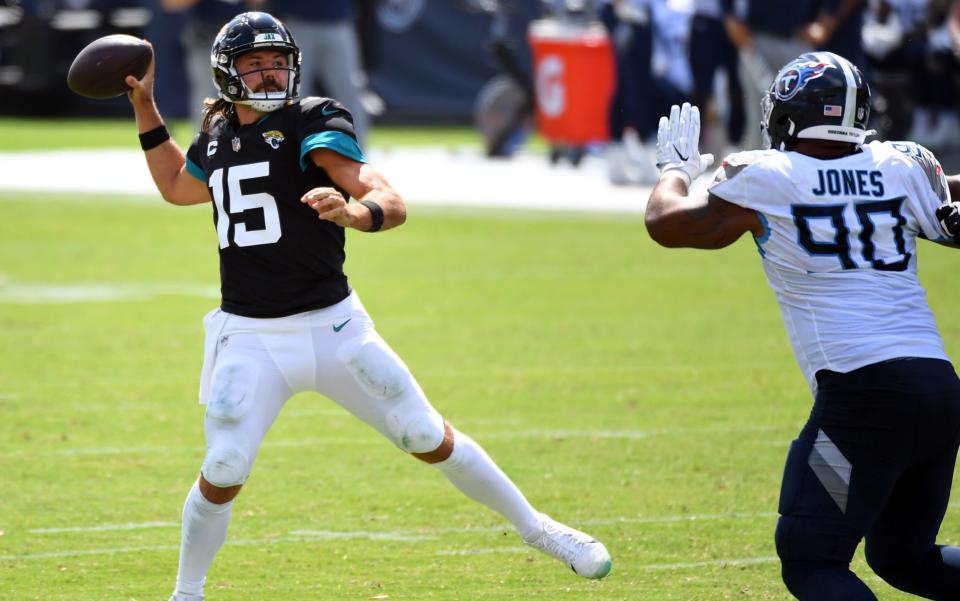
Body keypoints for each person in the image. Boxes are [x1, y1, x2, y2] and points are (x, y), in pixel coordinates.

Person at [123, 11, 612, 600]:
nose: (270, 73)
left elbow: (386, 196)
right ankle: (187, 593)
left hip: (333, 326)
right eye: (255, 64)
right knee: (224, 464)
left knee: (423, 431)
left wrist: (355, 213)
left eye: (278, 61)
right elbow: (177, 185)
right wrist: (145, 104)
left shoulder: (313, 121)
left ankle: (540, 529)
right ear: (227, 72)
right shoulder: (221, 133)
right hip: (249, 335)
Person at [645, 52, 960, 600]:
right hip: (937, 392)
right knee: (906, 557)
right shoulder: (903, 165)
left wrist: (675, 168)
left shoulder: (768, 176)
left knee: (812, 558)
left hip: (861, 400)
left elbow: (667, 224)